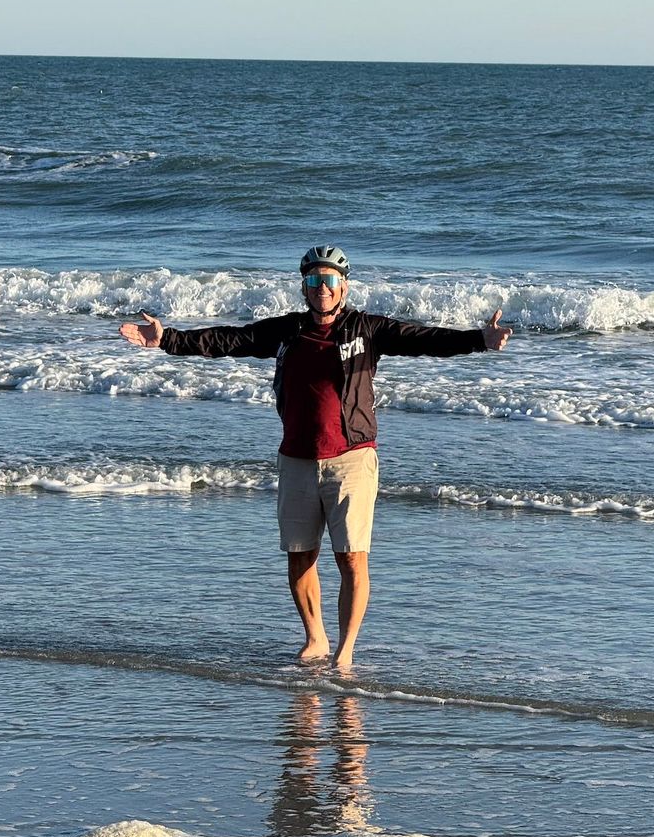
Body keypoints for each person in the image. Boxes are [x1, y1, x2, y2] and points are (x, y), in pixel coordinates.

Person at [119, 244, 511, 668]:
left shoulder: (367, 329)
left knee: (351, 556)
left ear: (344, 286)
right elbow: (229, 340)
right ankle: (315, 639)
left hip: (352, 458)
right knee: (300, 554)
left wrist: (479, 340)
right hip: (297, 458)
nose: (321, 287)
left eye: (329, 280)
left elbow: (425, 340)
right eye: (313, 280)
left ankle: (345, 650)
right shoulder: (287, 331)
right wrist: (167, 339)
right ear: (304, 287)